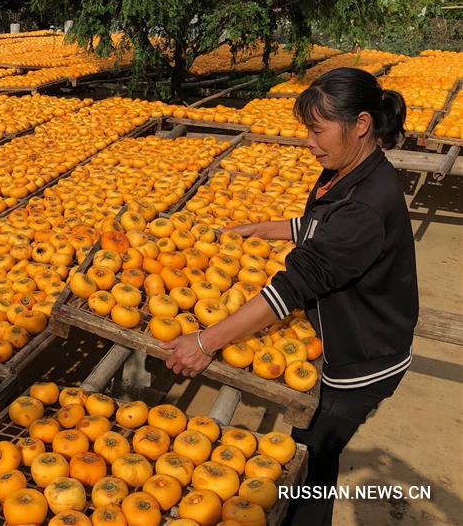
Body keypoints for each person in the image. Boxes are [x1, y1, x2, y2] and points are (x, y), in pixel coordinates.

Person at [160, 67, 418, 525]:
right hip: (352, 336)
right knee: (311, 447)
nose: (310, 142)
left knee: (311, 463)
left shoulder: (366, 202)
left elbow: (292, 287)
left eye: (318, 130)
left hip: (362, 358)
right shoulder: (354, 173)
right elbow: (324, 229)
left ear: (360, 124)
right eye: (306, 130)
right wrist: (265, 228)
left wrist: (204, 343)